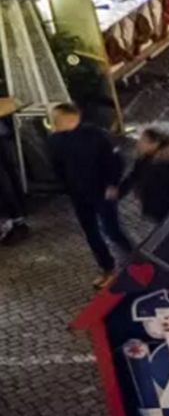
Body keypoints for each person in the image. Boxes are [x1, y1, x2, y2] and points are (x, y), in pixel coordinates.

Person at [47, 102, 131, 285]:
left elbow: (115, 160)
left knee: (112, 229)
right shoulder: (54, 140)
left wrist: (112, 184)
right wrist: (67, 188)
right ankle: (108, 268)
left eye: (55, 119)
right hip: (79, 195)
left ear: (68, 119)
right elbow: (57, 167)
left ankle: (137, 258)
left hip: (101, 191)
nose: (52, 123)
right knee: (91, 232)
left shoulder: (95, 135)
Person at [119, 127, 169, 226]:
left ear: (154, 143)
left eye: (143, 141)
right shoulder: (145, 157)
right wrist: (118, 193)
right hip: (157, 210)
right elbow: (135, 175)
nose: (138, 143)